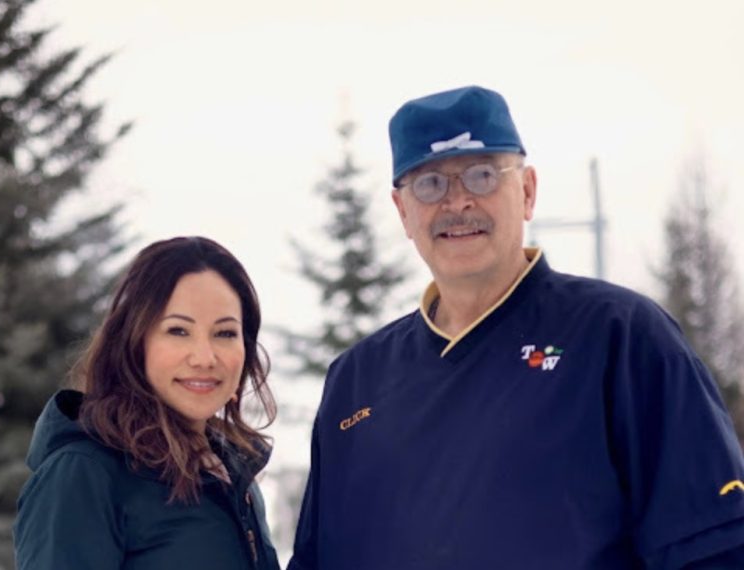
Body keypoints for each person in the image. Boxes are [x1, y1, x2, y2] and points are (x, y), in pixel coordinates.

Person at [287, 86, 744, 569]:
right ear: (403, 211)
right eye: (430, 184)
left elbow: (713, 549)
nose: (458, 202)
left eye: (482, 175)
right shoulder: (356, 381)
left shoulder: (620, 337)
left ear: (527, 191)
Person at [14, 236, 280, 569]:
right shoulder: (84, 473)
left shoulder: (235, 477)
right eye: (178, 331)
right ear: (135, 340)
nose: (204, 357)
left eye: (225, 333)